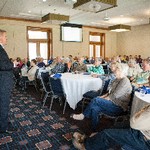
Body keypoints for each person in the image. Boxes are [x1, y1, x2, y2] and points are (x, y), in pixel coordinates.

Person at [71, 63, 132, 131]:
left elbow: (112, 96)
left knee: (96, 100)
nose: (114, 71)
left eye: (117, 69)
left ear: (121, 71)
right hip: (112, 103)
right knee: (95, 108)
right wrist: (101, 98)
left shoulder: (124, 81)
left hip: (118, 107)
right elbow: (109, 93)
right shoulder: (117, 79)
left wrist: (99, 100)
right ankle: (94, 130)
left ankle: (83, 115)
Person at [72, 104, 150, 150]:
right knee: (116, 126)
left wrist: (142, 111)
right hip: (143, 131)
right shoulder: (117, 80)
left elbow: (134, 123)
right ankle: (92, 139)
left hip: (145, 140)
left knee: (107, 133)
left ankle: (85, 146)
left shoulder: (124, 81)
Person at [0, 29, 14, 133]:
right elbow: (4, 65)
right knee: (4, 104)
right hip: (3, 82)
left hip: (3, 81)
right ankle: (3, 127)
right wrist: (11, 63)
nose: (6, 38)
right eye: (5, 36)